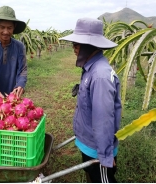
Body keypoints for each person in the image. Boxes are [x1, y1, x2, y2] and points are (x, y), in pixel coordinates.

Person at [59, 18, 122, 183]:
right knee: (91, 177)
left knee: (101, 179)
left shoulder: (100, 76)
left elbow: (104, 120)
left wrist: (105, 156)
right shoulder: (91, 68)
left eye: (77, 44)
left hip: (97, 149)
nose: (74, 48)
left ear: (91, 45)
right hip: (88, 142)